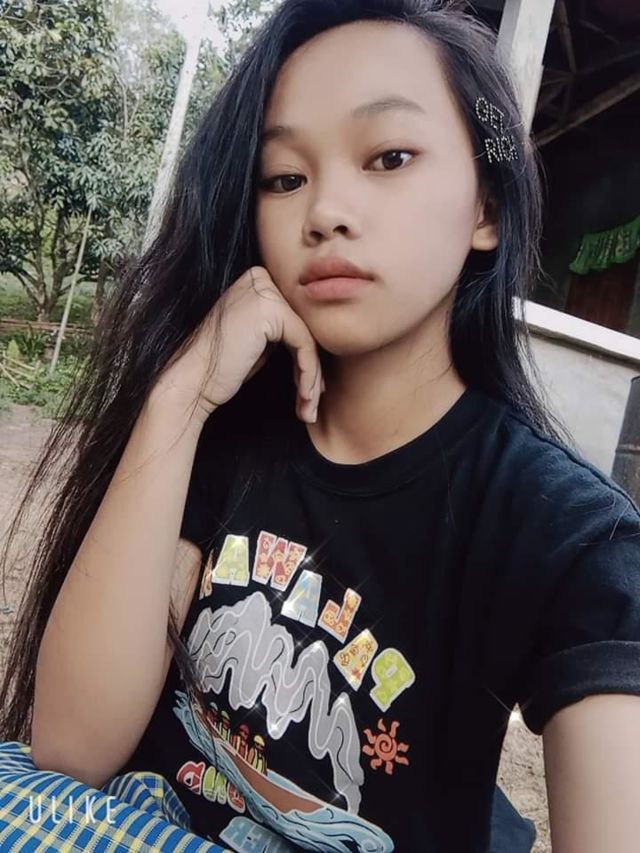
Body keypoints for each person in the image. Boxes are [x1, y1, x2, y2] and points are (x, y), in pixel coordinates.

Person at [1, 0, 639, 851]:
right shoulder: (221, 438)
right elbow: (69, 750)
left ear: (487, 206)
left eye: (390, 157)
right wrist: (180, 395)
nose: (326, 210)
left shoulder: (566, 530)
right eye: (284, 177)